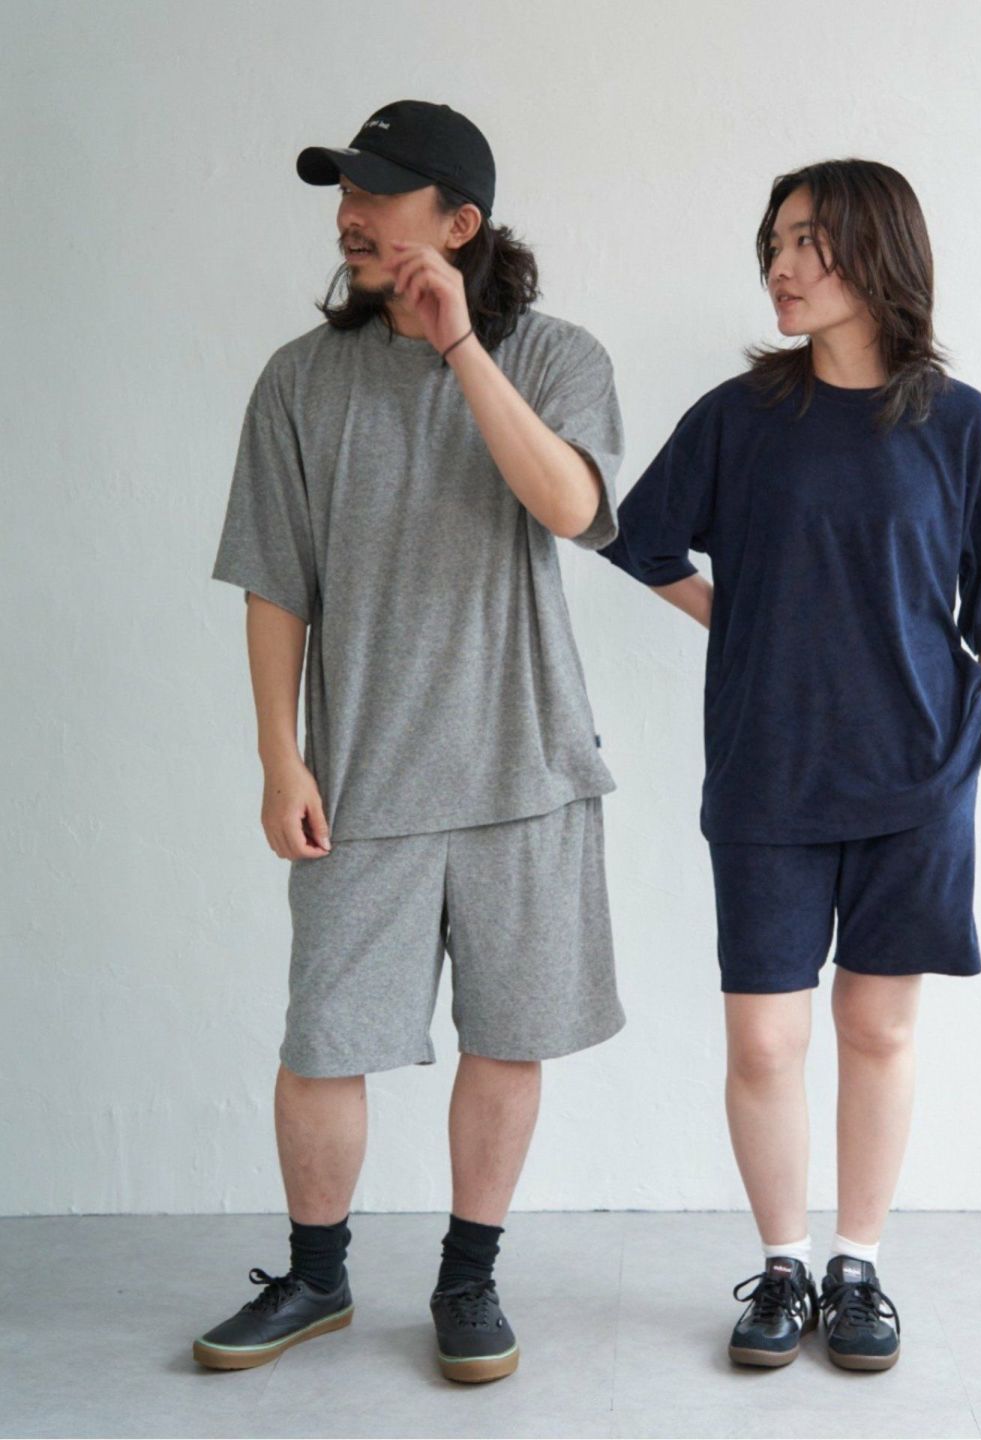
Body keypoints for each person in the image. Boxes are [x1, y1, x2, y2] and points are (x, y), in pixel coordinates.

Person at [197, 99, 626, 1383]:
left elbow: (570, 506)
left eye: (378, 193)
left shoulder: (557, 357)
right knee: (323, 1044)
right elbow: (274, 583)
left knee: (507, 1036)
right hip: (362, 780)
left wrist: (461, 350)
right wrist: (279, 757)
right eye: (344, 191)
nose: (351, 214)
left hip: (526, 770)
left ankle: (468, 1280)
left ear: (460, 222)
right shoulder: (299, 380)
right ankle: (316, 1278)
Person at [599, 159, 981, 1373]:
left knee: (877, 1029)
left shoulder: (956, 421)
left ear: (877, 252)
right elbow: (639, 539)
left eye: (808, 242)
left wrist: (976, 735)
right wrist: (740, 623)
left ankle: (858, 1268)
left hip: (918, 779)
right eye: (775, 244)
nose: (781, 267)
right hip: (769, 771)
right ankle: (781, 1266)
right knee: (764, 1041)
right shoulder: (740, 417)